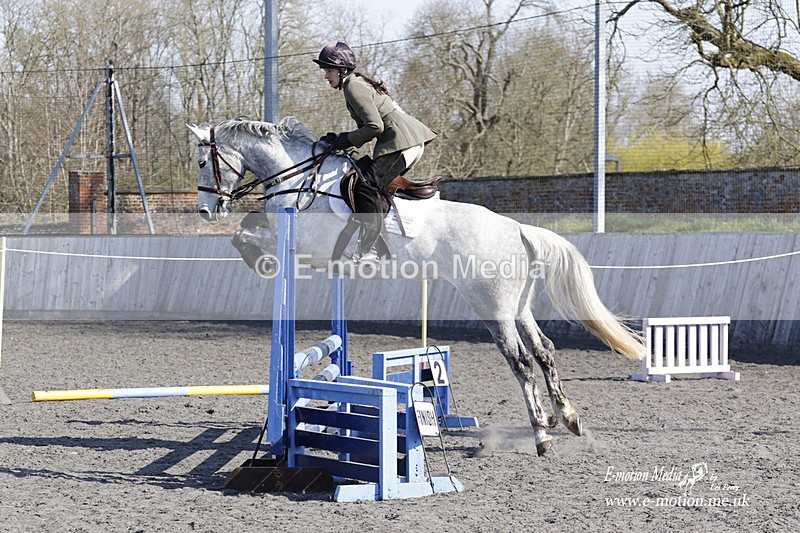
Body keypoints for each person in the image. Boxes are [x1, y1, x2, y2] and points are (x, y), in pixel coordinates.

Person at [313, 41, 436, 264]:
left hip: (403, 142)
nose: (326, 76)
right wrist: (342, 138)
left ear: (342, 70)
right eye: (325, 71)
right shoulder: (354, 84)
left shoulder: (353, 86)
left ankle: (371, 248)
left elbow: (374, 127)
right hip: (402, 141)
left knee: (365, 184)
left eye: (329, 70)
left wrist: (346, 140)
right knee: (365, 178)